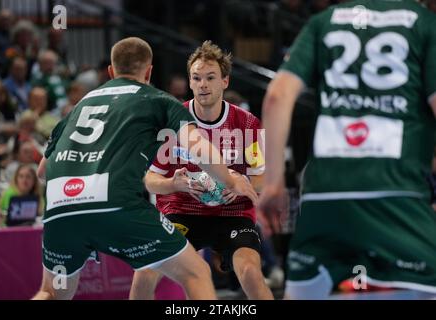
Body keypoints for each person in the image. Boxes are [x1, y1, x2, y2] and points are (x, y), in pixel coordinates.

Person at [32, 37, 257, 300]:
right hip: (115, 203)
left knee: (51, 291)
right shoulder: (158, 100)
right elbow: (199, 149)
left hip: (60, 207)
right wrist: (231, 181)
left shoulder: (79, 106)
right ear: (149, 71)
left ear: (111, 72)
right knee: (196, 272)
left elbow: (41, 172)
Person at [259, 0, 436, 299]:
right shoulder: (424, 23)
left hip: (322, 198)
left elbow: (276, 96)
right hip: (396, 195)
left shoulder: (323, 22)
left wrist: (273, 183)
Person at [130, 41, 273, 300]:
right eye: (196, 78)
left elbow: (261, 176)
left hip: (233, 212)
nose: (203, 84)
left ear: (225, 82)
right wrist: (174, 184)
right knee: (145, 271)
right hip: (182, 211)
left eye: (210, 77)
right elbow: (150, 180)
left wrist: (241, 181)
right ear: (190, 82)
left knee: (251, 272)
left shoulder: (248, 124)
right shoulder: (172, 122)